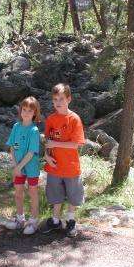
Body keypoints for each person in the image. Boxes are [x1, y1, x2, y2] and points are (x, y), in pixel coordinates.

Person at [43, 83, 85, 237]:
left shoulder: (74, 119)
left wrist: (56, 143)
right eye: (55, 99)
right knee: (55, 194)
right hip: (54, 166)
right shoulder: (51, 119)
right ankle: (55, 220)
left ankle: (71, 219)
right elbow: (47, 140)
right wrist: (46, 155)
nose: (58, 102)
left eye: (61, 98)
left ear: (69, 99)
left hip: (71, 167)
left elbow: (76, 145)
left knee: (73, 195)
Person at [6, 96, 41, 235]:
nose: (26, 113)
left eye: (29, 111)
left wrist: (19, 167)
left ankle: (33, 221)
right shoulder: (16, 127)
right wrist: (15, 165)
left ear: (34, 113)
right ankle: (20, 219)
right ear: (20, 110)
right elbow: (12, 147)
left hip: (30, 167)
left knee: (32, 193)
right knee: (18, 192)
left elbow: (31, 152)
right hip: (17, 167)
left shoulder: (34, 130)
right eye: (24, 109)